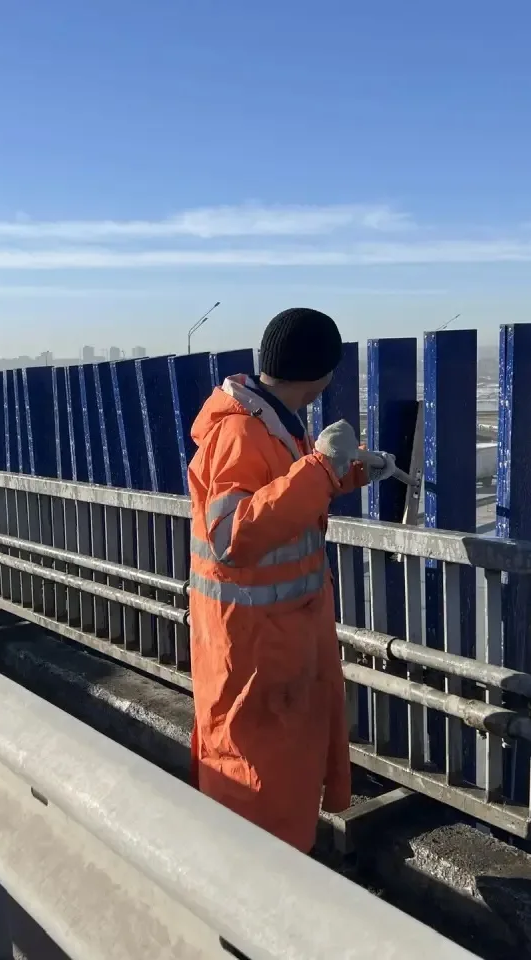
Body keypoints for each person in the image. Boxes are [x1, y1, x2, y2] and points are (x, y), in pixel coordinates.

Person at [186, 307, 396, 853]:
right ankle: (259, 901)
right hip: (255, 655)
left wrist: (348, 471)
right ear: (320, 374)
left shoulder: (268, 422)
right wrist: (321, 468)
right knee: (255, 792)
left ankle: (277, 883)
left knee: (282, 783)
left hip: (276, 645)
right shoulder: (241, 431)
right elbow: (231, 534)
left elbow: (277, 492)